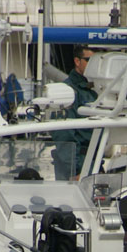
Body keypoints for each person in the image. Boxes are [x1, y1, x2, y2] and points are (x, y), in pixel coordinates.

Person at [52, 46, 98, 180]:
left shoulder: (91, 90)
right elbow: (64, 135)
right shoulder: (69, 92)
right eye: (89, 60)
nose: (93, 65)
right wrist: (75, 170)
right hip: (78, 165)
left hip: (91, 160)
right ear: (77, 62)